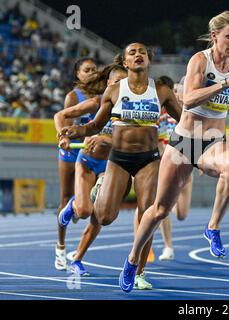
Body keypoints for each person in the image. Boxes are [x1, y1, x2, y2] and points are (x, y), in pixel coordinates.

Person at [119, 10, 229, 293]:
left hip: (214, 140)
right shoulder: (199, 61)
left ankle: (213, 227)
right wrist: (225, 82)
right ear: (215, 36)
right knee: (159, 211)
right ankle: (132, 260)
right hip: (185, 140)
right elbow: (188, 99)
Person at [59, 43, 181, 290]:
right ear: (125, 62)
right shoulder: (114, 91)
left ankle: (137, 269)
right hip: (118, 158)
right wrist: (75, 130)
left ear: (148, 60)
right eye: (132, 53)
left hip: (148, 158)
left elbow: (186, 122)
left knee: (149, 214)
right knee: (104, 217)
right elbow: (94, 125)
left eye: (142, 52)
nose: (138, 55)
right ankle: (91, 198)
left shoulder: (162, 91)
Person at [55, 62, 128, 276]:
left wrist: (106, 140)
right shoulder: (96, 102)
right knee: (84, 210)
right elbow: (60, 116)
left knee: (100, 215)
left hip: (111, 165)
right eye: (116, 83)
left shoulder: (131, 109)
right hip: (86, 161)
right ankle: (71, 208)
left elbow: (130, 141)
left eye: (125, 84)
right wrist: (63, 136)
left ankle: (77, 259)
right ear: (108, 84)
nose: (120, 87)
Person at [54, 57, 97, 271]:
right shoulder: (73, 97)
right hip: (72, 152)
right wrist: (65, 139)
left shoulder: (102, 96)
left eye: (94, 69)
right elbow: (65, 123)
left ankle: (77, 206)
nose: (92, 73)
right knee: (64, 196)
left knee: (88, 204)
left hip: (93, 153)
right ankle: (60, 248)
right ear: (78, 75)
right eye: (87, 70)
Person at [155, 75, 193, 261]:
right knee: (163, 208)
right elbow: (154, 137)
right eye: (176, 91)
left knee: (182, 215)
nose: (178, 95)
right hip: (165, 165)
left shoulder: (190, 112)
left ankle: (174, 198)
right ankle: (168, 246)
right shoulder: (160, 113)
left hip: (185, 167)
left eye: (181, 91)